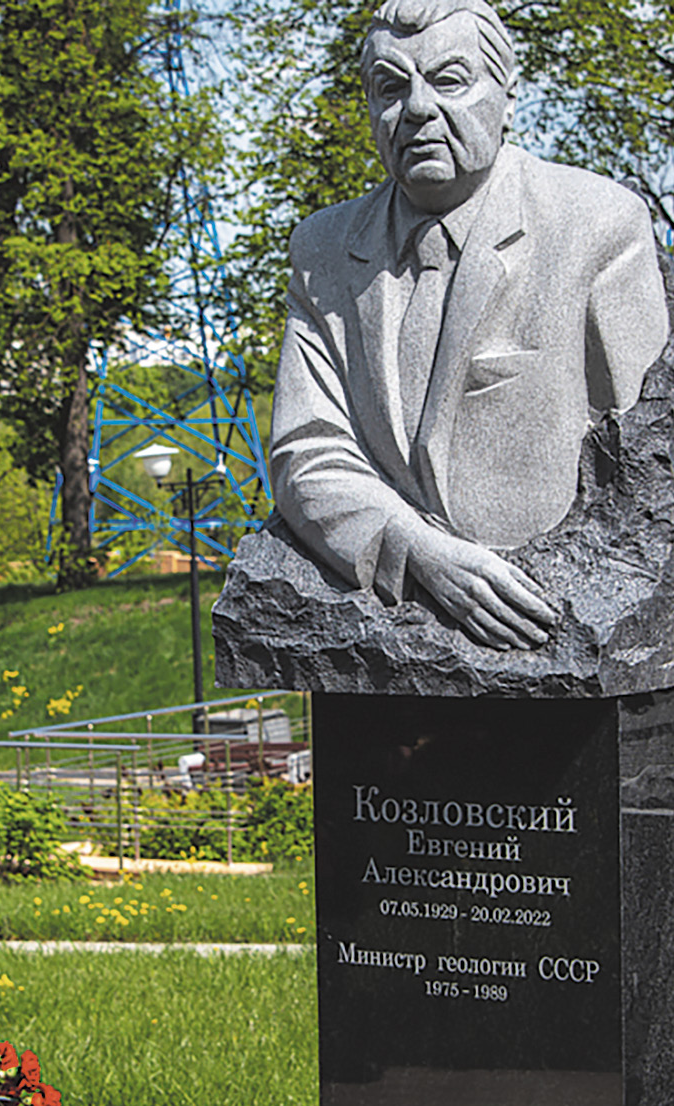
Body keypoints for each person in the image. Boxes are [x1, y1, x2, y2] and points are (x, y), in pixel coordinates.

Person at [271, 0, 669, 651]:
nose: (418, 110)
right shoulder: (321, 251)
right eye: (391, 89)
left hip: (558, 617)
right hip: (389, 646)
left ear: (507, 98)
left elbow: (649, 470)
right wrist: (416, 552)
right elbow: (305, 448)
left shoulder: (598, 225)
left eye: (448, 80)